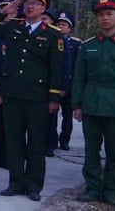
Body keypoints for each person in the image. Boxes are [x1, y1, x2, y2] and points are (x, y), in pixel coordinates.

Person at [0, 0, 64, 202]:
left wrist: (54, 98)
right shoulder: (14, 27)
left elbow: (56, 69)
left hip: (37, 97)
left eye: (35, 3)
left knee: (36, 143)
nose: (30, 6)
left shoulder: (53, 34)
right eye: (27, 3)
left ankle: (33, 185)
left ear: (43, 8)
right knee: (14, 141)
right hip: (13, 94)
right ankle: (16, 182)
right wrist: (3, 12)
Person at [70, 0, 115, 206]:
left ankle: (110, 189)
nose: (105, 19)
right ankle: (92, 188)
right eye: (101, 15)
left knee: (113, 152)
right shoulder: (88, 45)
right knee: (91, 151)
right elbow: (79, 77)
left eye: (109, 14)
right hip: (91, 104)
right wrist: (77, 105)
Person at [48, 11, 79, 155]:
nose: (61, 27)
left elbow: (74, 66)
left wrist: (67, 86)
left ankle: (65, 139)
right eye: (59, 24)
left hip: (69, 86)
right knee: (52, 114)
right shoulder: (52, 40)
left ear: (70, 27)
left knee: (67, 115)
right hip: (54, 85)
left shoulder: (76, 43)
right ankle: (52, 140)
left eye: (64, 25)